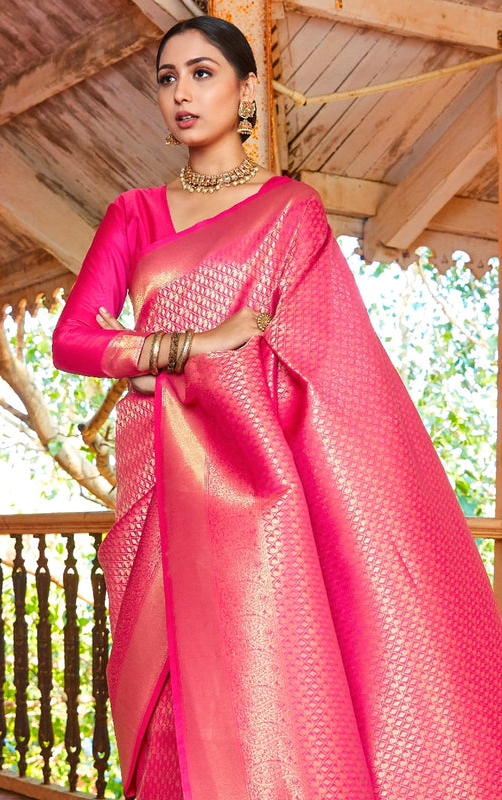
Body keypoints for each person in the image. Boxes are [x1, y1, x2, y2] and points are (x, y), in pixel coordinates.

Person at [53, 15, 502, 800]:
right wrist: (191, 347)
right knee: (164, 712)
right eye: (167, 78)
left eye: (202, 73)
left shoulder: (291, 212)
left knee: (265, 700)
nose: (181, 93)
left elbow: (321, 363)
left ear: (247, 90)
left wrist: (159, 366)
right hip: (161, 495)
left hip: (264, 503)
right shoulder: (135, 213)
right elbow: (72, 341)